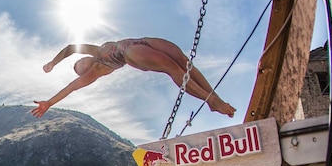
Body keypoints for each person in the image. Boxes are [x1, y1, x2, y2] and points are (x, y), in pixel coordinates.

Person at [31, 38, 236, 118]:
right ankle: (212, 100)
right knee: (172, 68)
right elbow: (70, 88)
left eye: (78, 63)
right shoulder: (95, 71)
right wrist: (49, 102)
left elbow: (69, 48)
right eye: (78, 69)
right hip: (131, 54)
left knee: (184, 61)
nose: (79, 65)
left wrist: (53, 62)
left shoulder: (94, 50)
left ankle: (213, 97)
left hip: (141, 40)